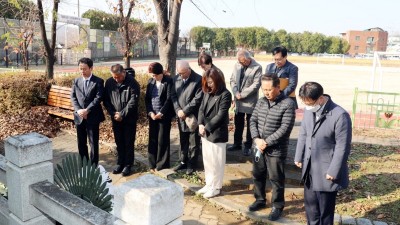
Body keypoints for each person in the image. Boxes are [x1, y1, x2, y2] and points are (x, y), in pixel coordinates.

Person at [294, 82, 352, 225]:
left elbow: (342, 146)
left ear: (320, 98)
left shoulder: (340, 115)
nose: (307, 106)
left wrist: (333, 170)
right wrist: (298, 155)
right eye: (304, 102)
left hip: (327, 170)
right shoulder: (309, 110)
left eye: (310, 102)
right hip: (309, 168)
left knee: (325, 212)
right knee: (311, 209)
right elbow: (303, 134)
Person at [248, 74, 296, 221]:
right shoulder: (261, 101)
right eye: (264, 89)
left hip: (276, 149)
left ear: (278, 87)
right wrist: (256, 139)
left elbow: (285, 128)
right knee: (258, 174)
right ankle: (260, 199)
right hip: (258, 147)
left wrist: (266, 142)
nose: (266, 92)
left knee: (276, 178)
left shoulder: (288, 103)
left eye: (269, 89)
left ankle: (277, 205)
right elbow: (253, 120)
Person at [197, 68, 232, 198]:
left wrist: (206, 127)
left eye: (211, 82)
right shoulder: (207, 92)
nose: (209, 85)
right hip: (205, 132)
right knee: (208, 160)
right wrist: (200, 124)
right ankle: (209, 183)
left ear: (217, 80)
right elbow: (201, 109)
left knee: (217, 162)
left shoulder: (225, 94)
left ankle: (216, 187)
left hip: (217, 133)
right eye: (207, 82)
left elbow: (221, 115)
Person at [103, 64, 140, 176]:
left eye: (118, 77)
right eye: (114, 77)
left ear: (123, 72)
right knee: (119, 141)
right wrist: (113, 113)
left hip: (129, 119)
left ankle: (128, 164)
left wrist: (122, 114)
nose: (116, 79)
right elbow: (106, 100)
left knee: (128, 142)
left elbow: (133, 102)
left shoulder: (133, 83)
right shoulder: (109, 82)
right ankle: (120, 162)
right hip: (115, 118)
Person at [71, 57, 105, 166]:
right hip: (79, 116)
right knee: (81, 142)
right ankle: (83, 163)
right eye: (80, 69)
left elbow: (98, 98)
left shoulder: (98, 81)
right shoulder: (76, 81)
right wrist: (79, 110)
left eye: (84, 69)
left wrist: (87, 110)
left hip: (93, 116)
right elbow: (73, 97)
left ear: (91, 68)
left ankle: (94, 165)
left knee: (93, 142)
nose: (82, 71)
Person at [171, 60, 203, 175]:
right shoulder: (175, 79)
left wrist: (185, 111)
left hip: (192, 116)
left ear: (189, 69)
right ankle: (182, 161)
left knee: (194, 141)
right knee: (183, 140)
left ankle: (192, 164)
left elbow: (197, 99)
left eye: (182, 73)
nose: (180, 75)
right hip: (180, 116)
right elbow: (173, 96)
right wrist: (178, 110)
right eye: (179, 73)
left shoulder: (198, 80)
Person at [229, 49, 262, 156]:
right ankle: (237, 144)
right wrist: (235, 92)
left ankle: (248, 146)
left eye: (243, 62)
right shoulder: (237, 65)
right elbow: (232, 80)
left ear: (248, 59)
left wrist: (241, 94)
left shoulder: (257, 67)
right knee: (238, 123)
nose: (241, 63)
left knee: (250, 124)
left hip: (250, 101)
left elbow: (256, 85)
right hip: (239, 101)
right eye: (239, 62)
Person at [145, 62, 174, 172]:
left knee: (163, 139)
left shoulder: (168, 81)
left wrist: (161, 113)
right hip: (153, 115)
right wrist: (150, 112)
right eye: (152, 75)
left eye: (155, 75)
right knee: (152, 139)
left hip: (163, 116)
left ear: (160, 73)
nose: (153, 77)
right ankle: (152, 163)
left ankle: (162, 163)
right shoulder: (151, 82)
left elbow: (169, 99)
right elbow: (147, 99)